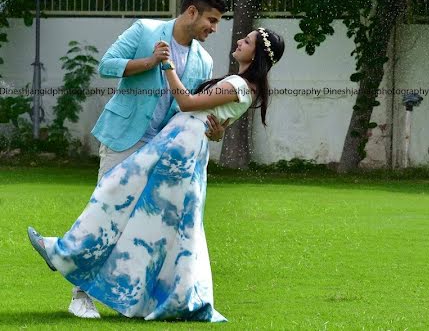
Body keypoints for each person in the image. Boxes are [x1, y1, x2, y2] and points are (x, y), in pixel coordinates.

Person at [27, 27, 285, 322]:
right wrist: (216, 130)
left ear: (257, 55)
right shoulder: (243, 86)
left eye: (247, 41)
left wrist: (167, 66)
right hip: (181, 145)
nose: (240, 41)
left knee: (119, 198)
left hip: (179, 148)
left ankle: (64, 254)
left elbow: (187, 103)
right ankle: (94, 269)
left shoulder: (238, 83)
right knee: (154, 223)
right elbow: (206, 116)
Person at [56, 0, 230, 319]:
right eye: (211, 19)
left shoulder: (204, 61)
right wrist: (151, 61)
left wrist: (216, 132)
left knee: (149, 227)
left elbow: (192, 108)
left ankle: (134, 298)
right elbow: (107, 66)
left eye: (218, 22)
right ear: (191, 11)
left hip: (162, 149)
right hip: (124, 138)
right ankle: (80, 296)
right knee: (103, 216)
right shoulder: (145, 29)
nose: (214, 28)